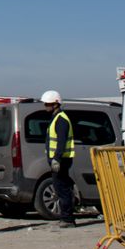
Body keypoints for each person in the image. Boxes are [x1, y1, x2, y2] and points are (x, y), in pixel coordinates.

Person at [42, 89, 78, 226]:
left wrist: (57, 158)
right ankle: (65, 217)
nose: (45, 106)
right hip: (58, 159)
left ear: (56, 104)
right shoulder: (56, 118)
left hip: (61, 159)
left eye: (47, 104)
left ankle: (68, 218)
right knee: (60, 187)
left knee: (62, 188)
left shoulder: (61, 119)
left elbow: (61, 141)